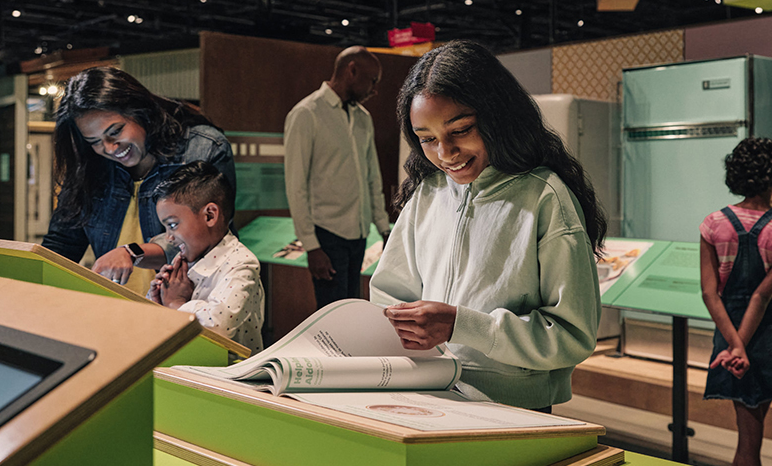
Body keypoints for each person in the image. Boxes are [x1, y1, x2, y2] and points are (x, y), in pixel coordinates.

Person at [369, 40, 604, 411]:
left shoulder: (545, 197)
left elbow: (572, 336)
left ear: (498, 116)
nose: (445, 153)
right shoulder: (427, 194)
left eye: (460, 130)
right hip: (424, 395)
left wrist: (460, 326)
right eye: (427, 139)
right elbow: (387, 294)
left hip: (513, 410)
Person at [42, 66, 236, 296]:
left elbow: (203, 237)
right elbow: (63, 242)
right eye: (94, 141)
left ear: (140, 112)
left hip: (190, 307)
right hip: (117, 309)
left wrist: (132, 252)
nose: (109, 148)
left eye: (115, 131)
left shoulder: (203, 147)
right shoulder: (90, 165)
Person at [699, 136, 772, 466]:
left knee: (747, 424)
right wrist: (742, 346)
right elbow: (762, 296)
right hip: (769, 331)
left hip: (729, 325)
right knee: (751, 431)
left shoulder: (713, 224)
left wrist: (734, 344)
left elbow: (709, 293)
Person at [284, 45, 391, 308]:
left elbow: (372, 177)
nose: (374, 90)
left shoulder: (364, 118)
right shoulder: (306, 114)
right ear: (352, 70)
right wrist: (311, 246)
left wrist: (384, 227)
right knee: (332, 317)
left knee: (352, 311)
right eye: (372, 80)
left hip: (359, 234)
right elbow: (296, 186)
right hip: (326, 237)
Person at [148, 162, 265, 354]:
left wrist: (177, 303)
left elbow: (219, 327)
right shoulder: (183, 258)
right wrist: (158, 300)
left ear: (210, 215)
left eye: (173, 224)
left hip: (227, 377)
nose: (168, 237)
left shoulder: (241, 263)